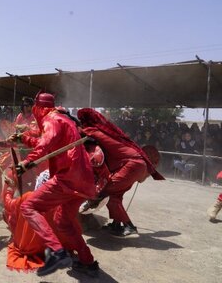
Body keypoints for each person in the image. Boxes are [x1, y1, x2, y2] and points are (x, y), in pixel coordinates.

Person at [17, 92, 99, 277]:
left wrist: (27, 161)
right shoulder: (63, 120)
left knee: (29, 206)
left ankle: (57, 252)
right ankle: (88, 261)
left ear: (38, 107)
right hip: (83, 179)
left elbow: (46, 141)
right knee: (63, 222)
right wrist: (24, 139)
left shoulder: (51, 119)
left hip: (68, 177)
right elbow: (47, 141)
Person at [77, 108, 164, 236]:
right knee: (115, 196)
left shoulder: (93, 130)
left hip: (132, 165)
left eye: (82, 120)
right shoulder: (104, 131)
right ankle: (116, 225)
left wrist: (74, 125)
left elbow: (78, 133)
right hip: (134, 165)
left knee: (108, 192)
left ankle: (129, 226)